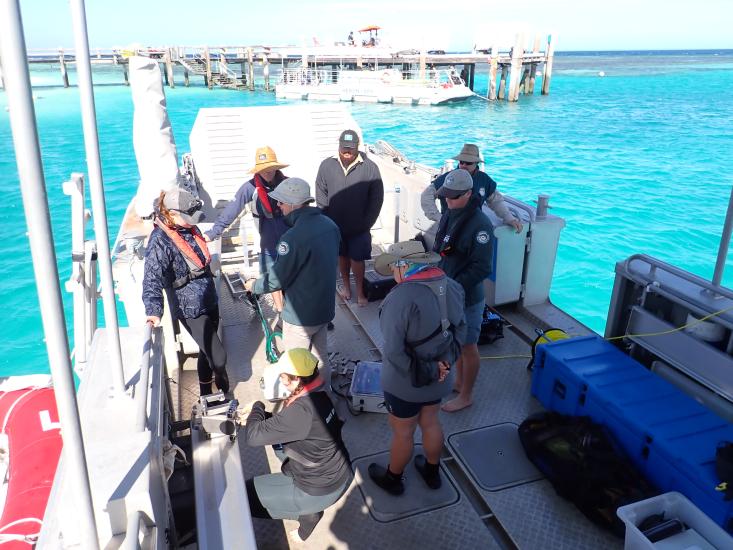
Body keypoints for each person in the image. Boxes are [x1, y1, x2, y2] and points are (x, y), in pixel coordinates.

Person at [367, 241, 466, 495]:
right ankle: (432, 473)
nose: (393, 273)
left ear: (404, 266)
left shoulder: (399, 298)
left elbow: (394, 351)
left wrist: (432, 370)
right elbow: (462, 330)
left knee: (403, 431)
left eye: (394, 266)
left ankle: (393, 478)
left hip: (406, 384)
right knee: (431, 422)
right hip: (440, 378)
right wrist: (444, 366)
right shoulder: (453, 287)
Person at [243, 348, 353, 542]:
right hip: (339, 473)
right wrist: (263, 419)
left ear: (293, 379)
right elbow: (292, 426)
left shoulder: (301, 411)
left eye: (283, 375)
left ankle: (309, 514)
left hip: (318, 490)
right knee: (278, 444)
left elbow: (252, 436)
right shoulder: (322, 395)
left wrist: (257, 407)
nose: (281, 379)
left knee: (246, 497)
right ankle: (308, 509)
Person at [244, 178, 340, 381]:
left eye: (281, 201)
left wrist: (254, 285)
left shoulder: (292, 237)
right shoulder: (330, 225)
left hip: (300, 316)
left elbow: (276, 280)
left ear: (293, 205)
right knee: (321, 359)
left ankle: (304, 407)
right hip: (324, 310)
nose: (278, 205)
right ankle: (325, 396)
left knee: (295, 368)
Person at [143, 188, 229, 396]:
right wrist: (153, 311)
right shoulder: (160, 240)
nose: (193, 221)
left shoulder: (188, 227)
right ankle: (222, 381)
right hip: (189, 307)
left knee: (205, 349)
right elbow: (152, 277)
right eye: (188, 217)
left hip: (209, 296)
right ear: (171, 214)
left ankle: (206, 392)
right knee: (218, 357)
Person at [432, 169, 493, 412]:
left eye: (454, 196)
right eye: (446, 196)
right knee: (454, 342)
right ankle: (458, 382)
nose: (449, 200)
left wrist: (453, 287)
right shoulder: (450, 212)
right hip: (447, 291)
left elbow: (482, 268)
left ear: (469, 194)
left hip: (466, 298)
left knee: (468, 346)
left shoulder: (481, 226)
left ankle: (466, 395)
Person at [206, 146, 289, 315]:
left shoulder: (288, 184)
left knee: (295, 276)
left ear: (276, 167)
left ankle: (305, 313)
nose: (267, 172)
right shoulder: (249, 188)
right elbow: (232, 210)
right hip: (269, 242)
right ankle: (281, 313)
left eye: (270, 167)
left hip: (291, 240)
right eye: (263, 169)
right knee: (273, 277)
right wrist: (214, 232)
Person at [316, 129, 384, 307]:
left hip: (359, 228)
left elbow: (376, 199)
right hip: (334, 227)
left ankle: (360, 291)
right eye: (344, 147)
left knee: (357, 259)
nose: (347, 151)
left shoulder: (370, 168)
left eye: (351, 148)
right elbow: (320, 194)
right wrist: (326, 222)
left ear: (358, 147)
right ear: (338, 146)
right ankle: (346, 287)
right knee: (342, 257)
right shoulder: (326, 166)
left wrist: (366, 223)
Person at [421, 143, 523, 233]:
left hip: (474, 227)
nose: (464, 165)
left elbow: (496, 201)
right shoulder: (449, 177)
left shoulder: (484, 179)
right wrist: (439, 217)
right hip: (449, 226)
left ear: (476, 163)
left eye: (468, 163)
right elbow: (427, 195)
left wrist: (509, 218)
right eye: (461, 162)